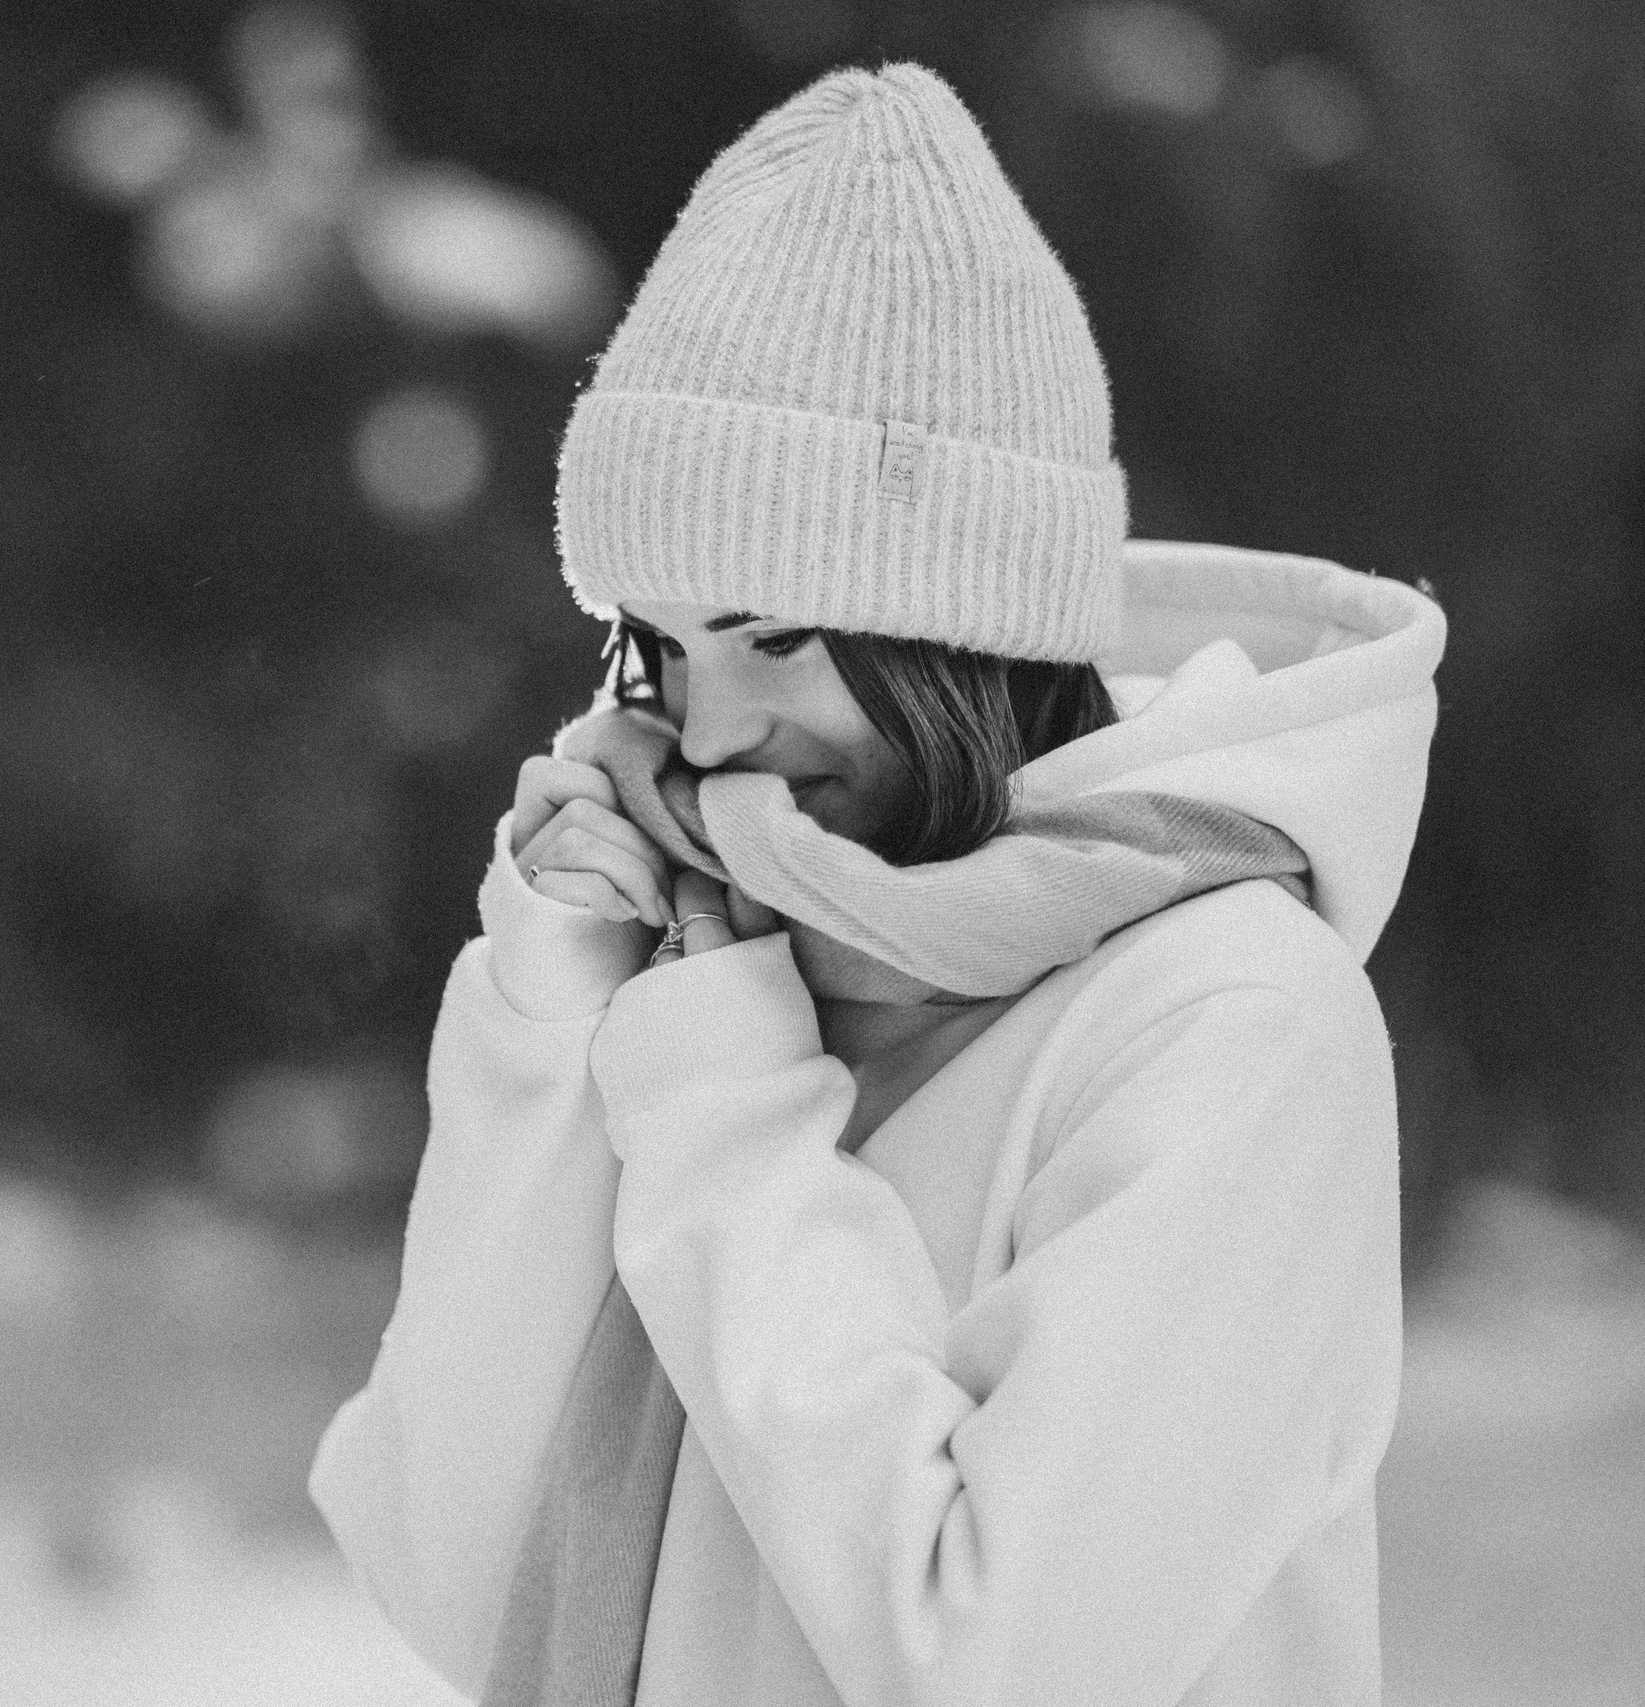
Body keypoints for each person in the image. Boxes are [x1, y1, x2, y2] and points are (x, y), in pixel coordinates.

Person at [308, 62, 1444, 1707]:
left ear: (964, 627)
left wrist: (724, 1103)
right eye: (665, 650)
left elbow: (991, 1657)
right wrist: (546, 1025)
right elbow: (452, 1571)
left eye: (775, 635)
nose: (715, 737)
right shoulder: (719, 957)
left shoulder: (1230, 1021)